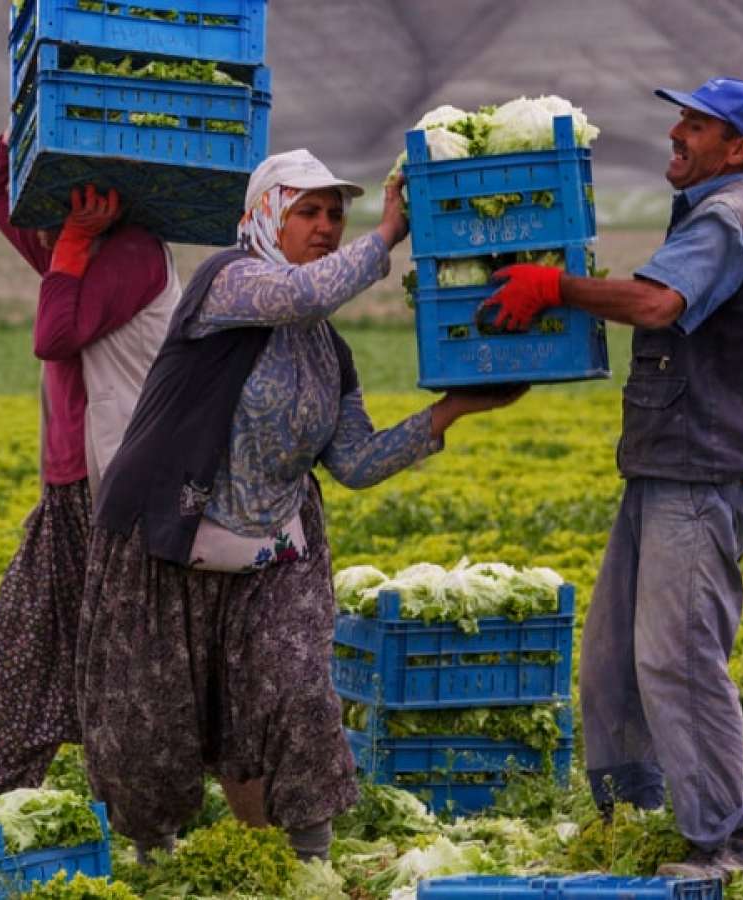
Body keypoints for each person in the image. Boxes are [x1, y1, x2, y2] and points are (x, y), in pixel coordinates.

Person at [78, 150, 524, 859]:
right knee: (154, 722)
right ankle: (152, 862)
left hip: (273, 551)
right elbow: (301, 294)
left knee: (297, 692)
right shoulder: (225, 283)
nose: (325, 227)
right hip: (170, 537)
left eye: (335, 215)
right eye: (307, 213)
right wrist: (384, 239)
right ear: (265, 218)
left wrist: (454, 410)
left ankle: (309, 863)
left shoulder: (328, 353)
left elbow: (354, 462)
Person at [483, 77, 743, 880]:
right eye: (679, 119)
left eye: (697, 124)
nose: (677, 133)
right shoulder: (708, 212)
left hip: (701, 469)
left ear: (738, 148)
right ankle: (640, 818)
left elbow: (655, 305)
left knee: (679, 658)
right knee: (615, 656)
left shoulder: (727, 219)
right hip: (664, 463)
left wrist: (555, 288)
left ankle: (723, 844)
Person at [0, 134, 180, 794]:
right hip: (68, 492)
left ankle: (145, 814)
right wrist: (17, 117)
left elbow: (53, 334)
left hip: (114, 492)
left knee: (120, 660)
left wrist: (77, 243)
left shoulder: (135, 252)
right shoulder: (80, 250)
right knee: (16, 646)